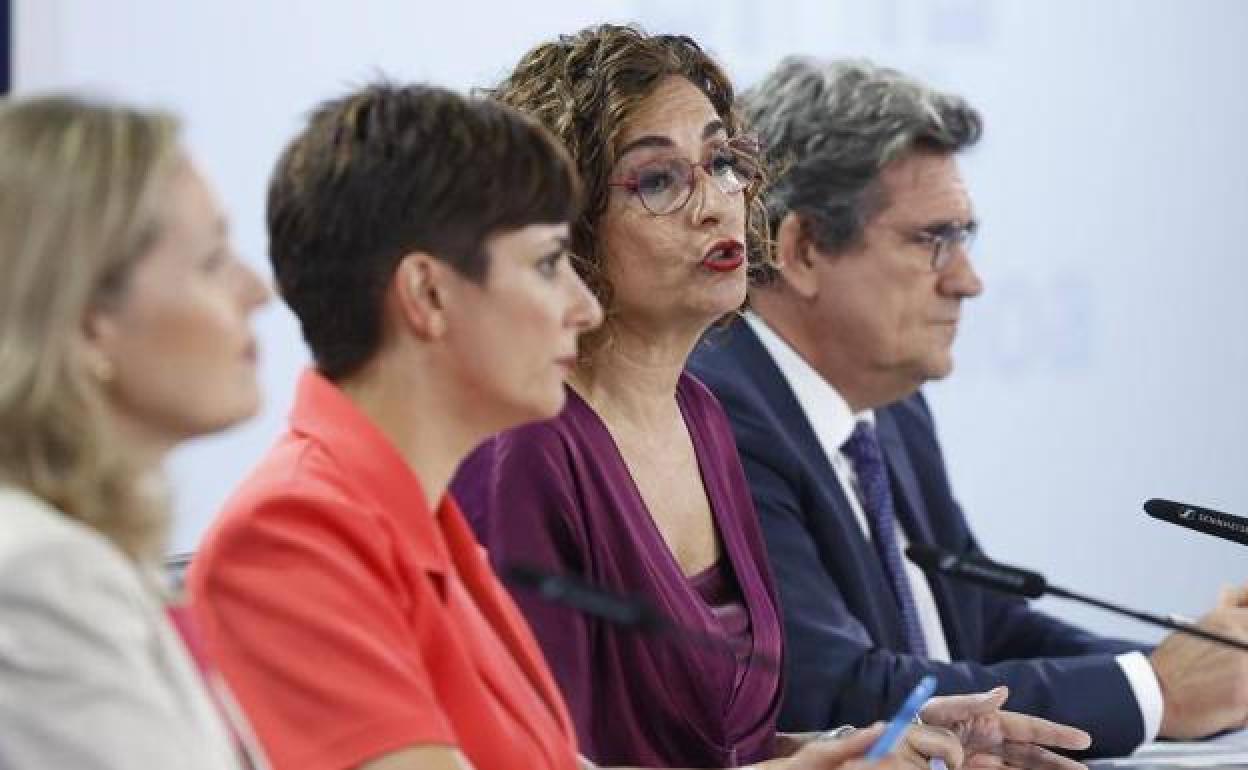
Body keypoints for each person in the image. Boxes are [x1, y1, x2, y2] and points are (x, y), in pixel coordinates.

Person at [186, 80, 950, 770]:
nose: (583, 308)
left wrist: (829, 758)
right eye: (550, 264)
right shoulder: (293, 532)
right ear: (429, 295)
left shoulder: (423, 519)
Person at [451, 25, 1089, 770]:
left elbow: (723, 751)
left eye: (723, 163)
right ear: (568, 226)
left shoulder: (702, 417)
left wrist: (872, 745)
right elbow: (531, 761)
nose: (716, 205)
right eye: (657, 181)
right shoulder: (527, 446)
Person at [687, 56, 1248, 759]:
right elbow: (827, 689)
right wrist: (1155, 690)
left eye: (964, 238)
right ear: (800, 250)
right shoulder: (721, 415)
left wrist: (1204, 673)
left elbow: (988, 630)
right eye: (934, 240)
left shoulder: (892, 407)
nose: (969, 281)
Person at [0, 95, 270, 769]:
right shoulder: (42, 577)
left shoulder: (98, 558)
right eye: (213, 261)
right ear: (89, 321)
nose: (256, 291)